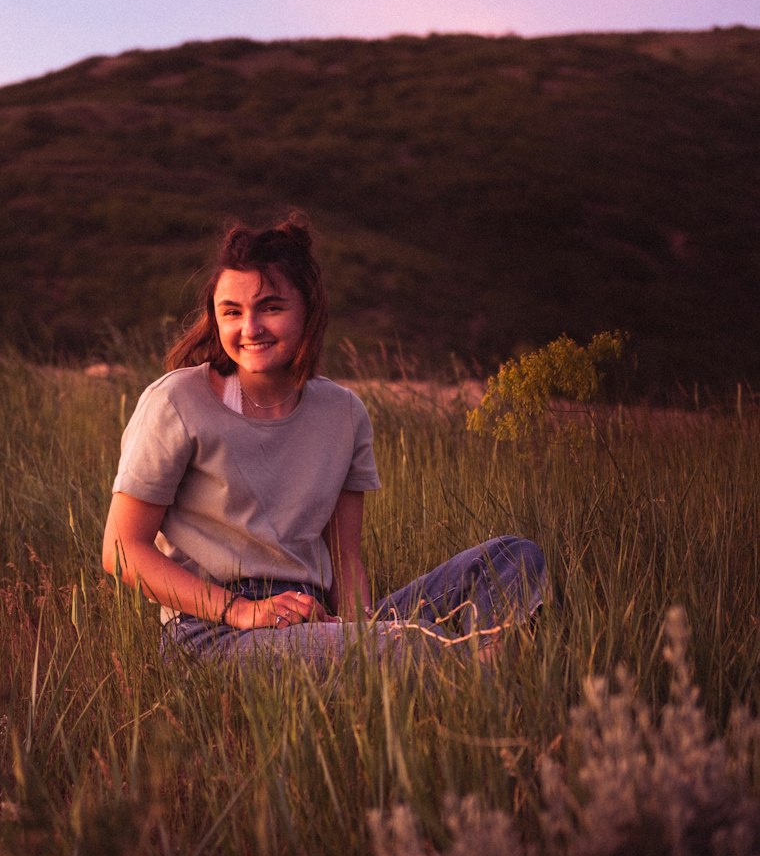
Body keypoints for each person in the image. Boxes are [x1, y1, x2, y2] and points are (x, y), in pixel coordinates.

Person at [102, 215, 546, 671]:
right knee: (401, 650)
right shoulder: (176, 401)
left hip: (314, 619)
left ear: (308, 309)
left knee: (512, 557)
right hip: (212, 633)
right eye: (231, 312)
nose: (250, 328)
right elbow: (122, 549)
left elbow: (345, 557)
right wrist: (242, 611)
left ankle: (465, 663)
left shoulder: (343, 413)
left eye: (271, 307)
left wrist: (355, 631)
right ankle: (479, 667)